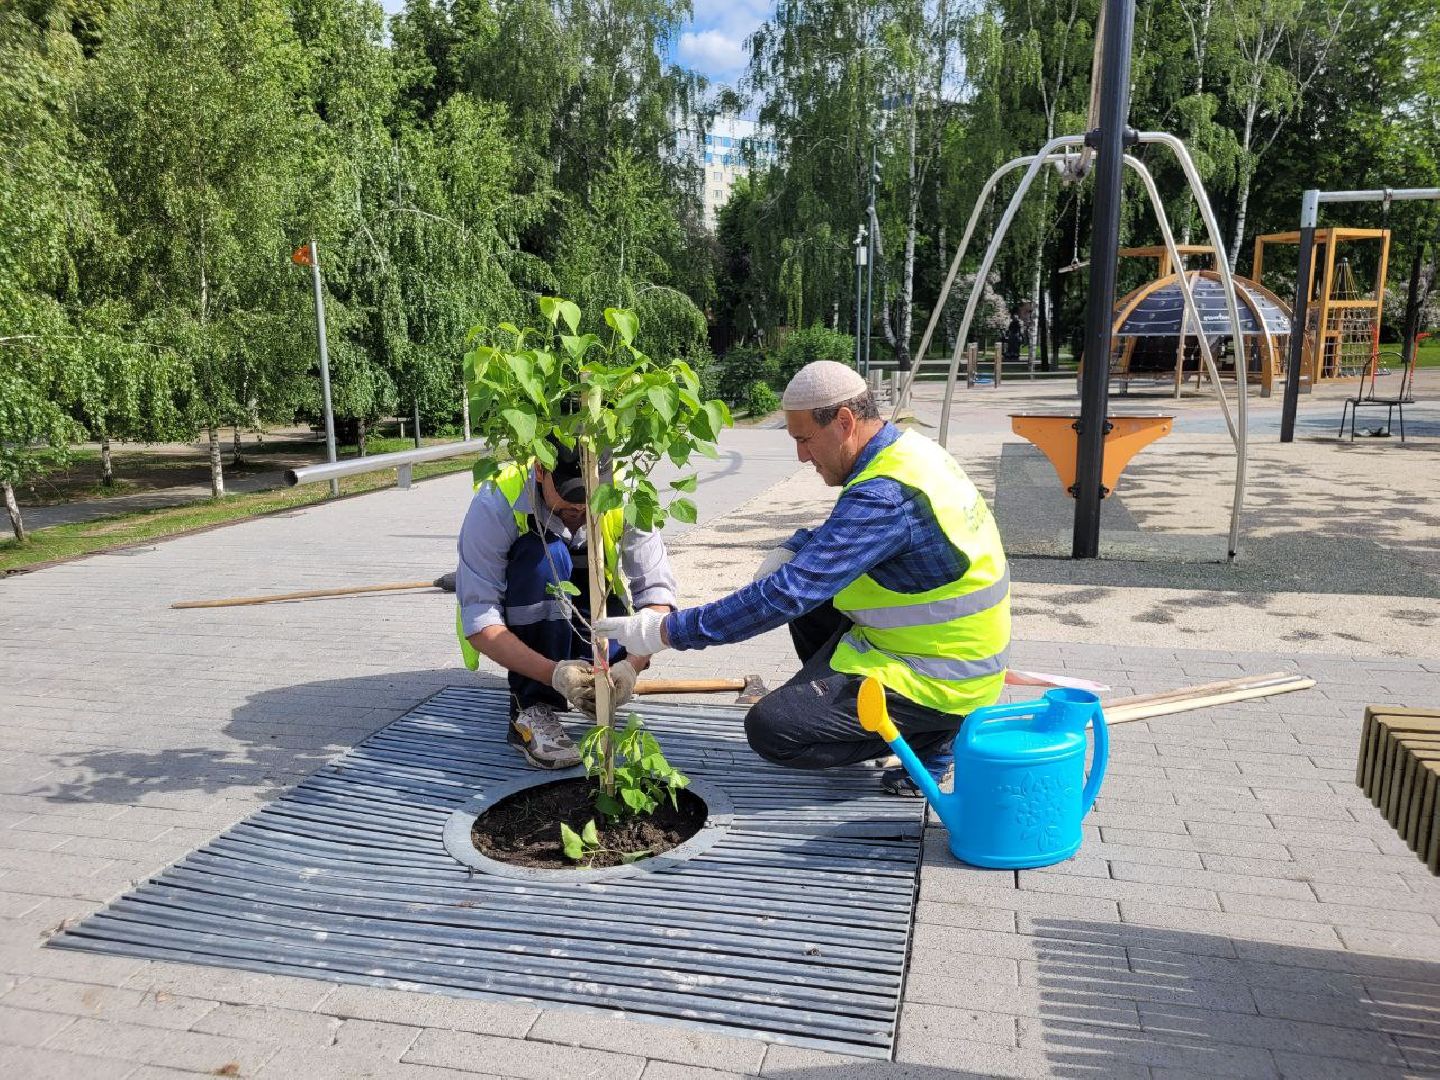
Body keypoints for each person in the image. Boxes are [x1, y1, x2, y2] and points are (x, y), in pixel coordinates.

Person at [596, 360, 1010, 795]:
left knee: (773, 729)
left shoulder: (885, 495)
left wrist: (664, 631)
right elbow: (854, 539)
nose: (800, 455)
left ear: (845, 422)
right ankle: (863, 711)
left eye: (804, 439)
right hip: (932, 650)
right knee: (811, 594)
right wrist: (796, 544)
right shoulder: (909, 453)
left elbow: (786, 594)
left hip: (942, 678)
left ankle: (934, 735)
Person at [454, 442, 677, 768]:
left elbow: (657, 596)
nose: (577, 512)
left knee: (610, 664)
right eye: (567, 502)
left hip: (592, 613)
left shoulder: (628, 494)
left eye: (588, 502)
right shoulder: (496, 501)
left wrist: (633, 664)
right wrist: (554, 675)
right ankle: (530, 704)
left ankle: (594, 680)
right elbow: (479, 617)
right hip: (527, 617)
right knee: (547, 555)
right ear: (540, 470)